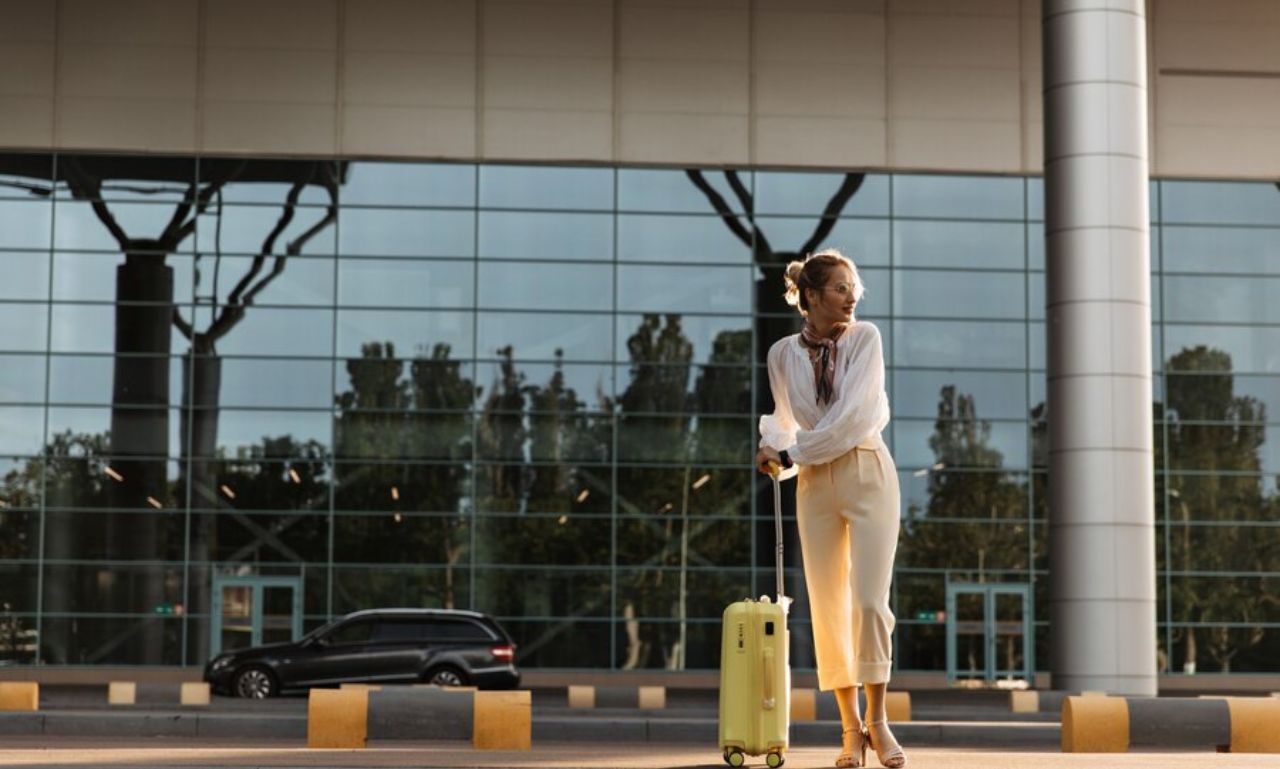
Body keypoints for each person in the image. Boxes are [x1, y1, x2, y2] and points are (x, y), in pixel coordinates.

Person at [755, 249, 906, 769]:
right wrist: (771, 447)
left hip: (866, 472)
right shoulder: (781, 354)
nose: (851, 296)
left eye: (853, 287)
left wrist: (791, 452)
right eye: (841, 288)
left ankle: (879, 720)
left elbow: (851, 417)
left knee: (868, 603)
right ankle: (849, 732)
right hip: (815, 486)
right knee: (826, 608)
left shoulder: (866, 339)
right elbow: (782, 419)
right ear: (812, 296)